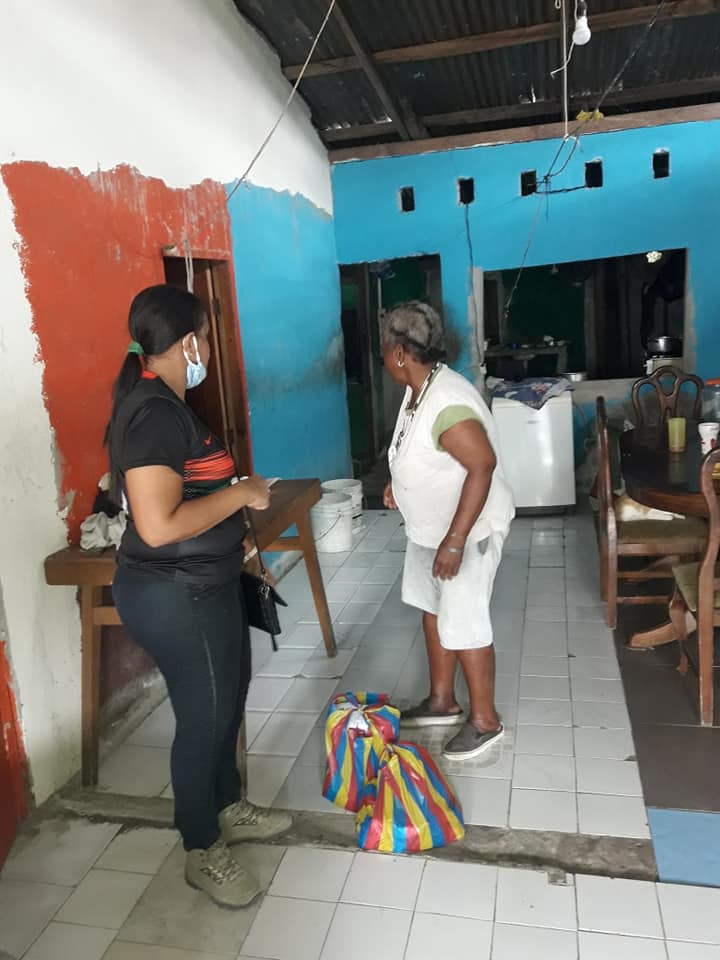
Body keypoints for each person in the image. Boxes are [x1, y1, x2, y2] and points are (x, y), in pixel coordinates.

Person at [106, 284, 290, 909]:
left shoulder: (170, 405)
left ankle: (227, 805)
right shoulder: (153, 414)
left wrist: (240, 552)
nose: (209, 348)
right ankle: (200, 847)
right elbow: (158, 526)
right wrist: (243, 493)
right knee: (204, 718)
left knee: (228, 698)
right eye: (206, 337)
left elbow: (193, 497)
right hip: (173, 594)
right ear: (187, 342)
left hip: (208, 583)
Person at [381, 301, 515, 760]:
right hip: (429, 528)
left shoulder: (446, 401)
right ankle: (442, 701)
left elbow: (482, 465)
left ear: (401, 353)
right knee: (433, 608)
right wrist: (400, 484)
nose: (384, 357)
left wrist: (455, 541)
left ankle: (485, 721)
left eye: (385, 349)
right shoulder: (419, 387)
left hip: (467, 531)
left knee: (463, 620)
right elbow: (423, 450)